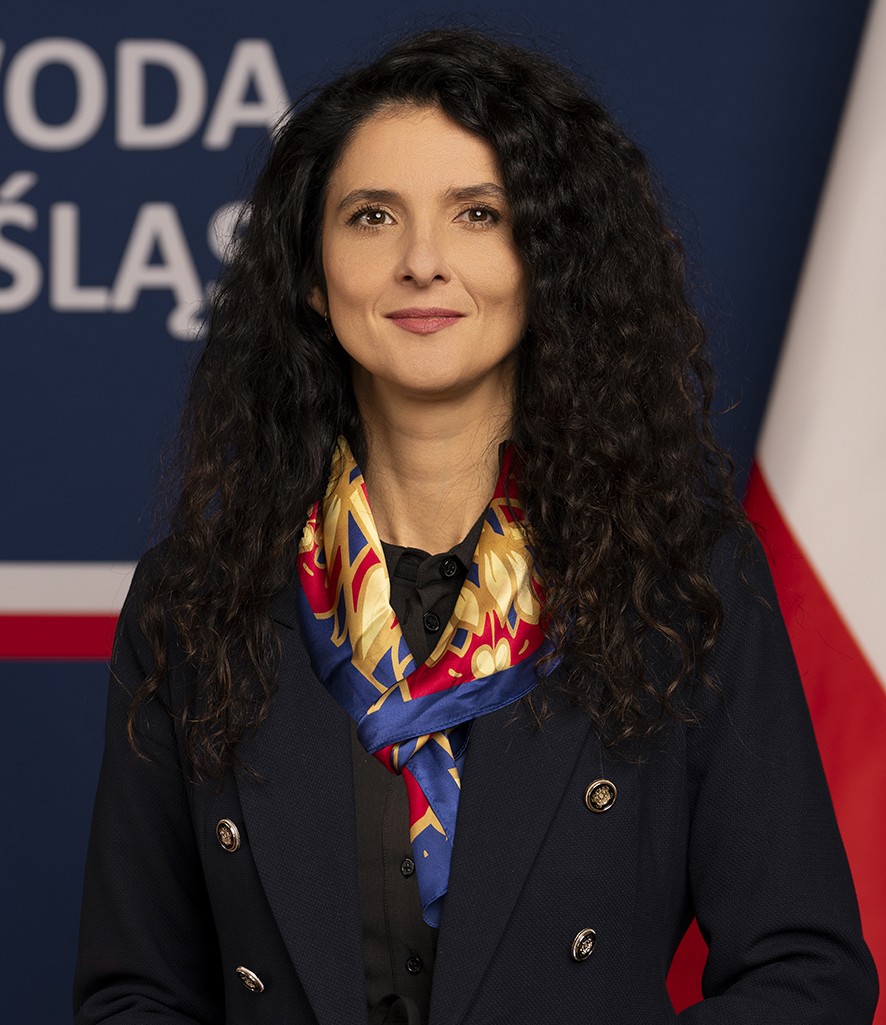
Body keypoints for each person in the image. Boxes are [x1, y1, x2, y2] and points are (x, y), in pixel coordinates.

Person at [73, 27, 878, 1025]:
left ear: (547, 260)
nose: (422, 262)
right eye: (372, 216)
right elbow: (136, 992)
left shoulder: (682, 580)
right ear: (312, 276)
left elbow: (806, 975)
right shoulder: (195, 598)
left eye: (478, 214)